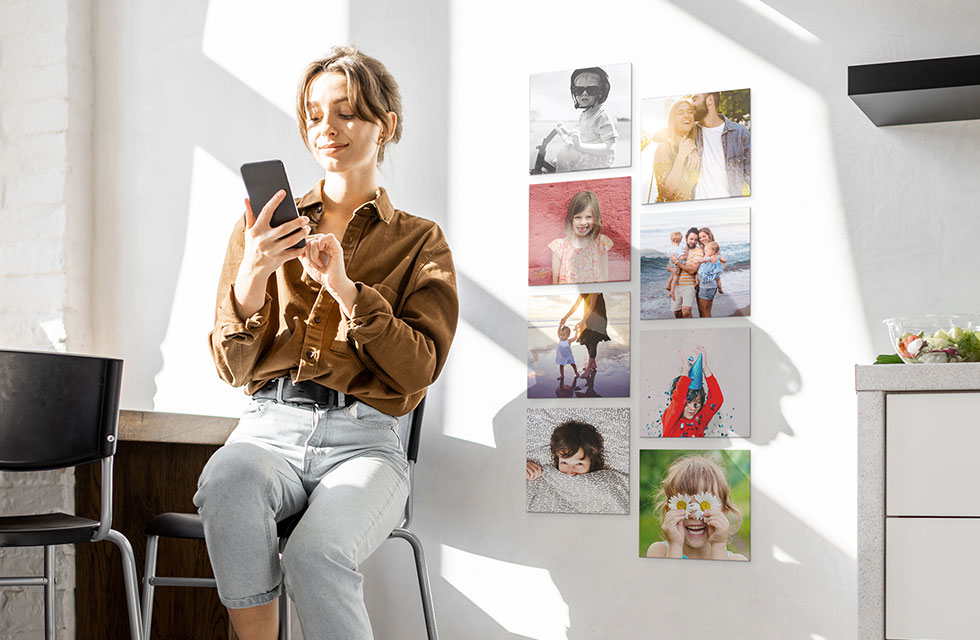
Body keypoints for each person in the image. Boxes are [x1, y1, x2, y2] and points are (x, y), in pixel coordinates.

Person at [198, 46, 458, 640]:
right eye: (315, 115)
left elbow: (419, 367)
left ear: (384, 125)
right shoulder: (263, 227)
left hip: (366, 444)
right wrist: (253, 276)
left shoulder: (420, 242)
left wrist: (345, 290)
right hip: (268, 428)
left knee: (316, 556)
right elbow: (232, 367)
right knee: (226, 478)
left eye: (346, 112)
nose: (327, 129)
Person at [645, 455, 747, 560]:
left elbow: (721, 576)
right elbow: (671, 576)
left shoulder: (736, 560)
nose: (694, 515)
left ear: (724, 511)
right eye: (684, 505)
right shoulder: (660, 552)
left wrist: (719, 544)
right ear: (669, 511)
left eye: (704, 505)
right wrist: (675, 545)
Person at [554, 67, 617, 171]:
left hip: (600, 161)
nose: (584, 93)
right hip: (587, 154)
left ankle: (562, 183)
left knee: (564, 153)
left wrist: (580, 146)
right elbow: (587, 136)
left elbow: (610, 148)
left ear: (601, 92)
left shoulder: (603, 116)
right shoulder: (584, 115)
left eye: (591, 90)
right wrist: (568, 133)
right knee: (553, 160)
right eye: (579, 90)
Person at [691, 91, 751, 200]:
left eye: (695, 99)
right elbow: (664, 135)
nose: (691, 104)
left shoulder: (740, 133)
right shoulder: (691, 132)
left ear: (709, 100)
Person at [548, 190, 614, 284]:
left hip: (593, 297)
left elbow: (605, 279)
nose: (583, 223)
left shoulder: (601, 244)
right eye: (578, 217)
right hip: (567, 298)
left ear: (596, 218)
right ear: (571, 219)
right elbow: (555, 281)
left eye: (589, 217)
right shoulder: (559, 247)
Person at [660, 346, 723, 437]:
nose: (692, 408)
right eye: (687, 402)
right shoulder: (669, 420)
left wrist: (705, 369)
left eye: (697, 403)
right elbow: (678, 402)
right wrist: (685, 372)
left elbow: (717, 400)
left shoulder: (700, 420)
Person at [650, 98, 700, 203]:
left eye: (690, 112)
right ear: (673, 119)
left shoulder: (693, 147)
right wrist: (681, 156)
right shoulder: (664, 148)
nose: (686, 115)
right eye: (680, 113)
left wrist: (691, 150)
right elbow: (665, 192)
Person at [526, 419, 606, 480]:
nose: (570, 473)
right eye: (564, 462)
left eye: (579, 464)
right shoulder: (548, 474)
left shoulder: (606, 480)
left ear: (592, 462)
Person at [559, 292, 609, 374]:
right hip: (589, 319)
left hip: (599, 319)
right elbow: (576, 305)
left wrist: (583, 321)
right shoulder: (583, 291)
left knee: (593, 340)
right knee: (585, 339)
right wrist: (565, 318)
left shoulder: (594, 286)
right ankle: (593, 364)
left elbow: (592, 304)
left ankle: (588, 369)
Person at [671, 228, 704, 318]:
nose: (693, 241)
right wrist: (672, 269)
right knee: (677, 312)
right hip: (677, 286)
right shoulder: (678, 249)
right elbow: (669, 264)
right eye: (691, 239)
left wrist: (677, 263)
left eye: (696, 240)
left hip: (689, 285)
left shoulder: (699, 252)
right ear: (686, 238)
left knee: (686, 311)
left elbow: (693, 270)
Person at [696, 241, 725, 318]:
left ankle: (708, 327)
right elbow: (724, 262)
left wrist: (697, 260)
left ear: (712, 251)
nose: (704, 252)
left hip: (706, 288)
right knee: (708, 309)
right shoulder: (716, 258)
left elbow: (702, 261)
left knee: (704, 311)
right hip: (713, 287)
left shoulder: (709, 258)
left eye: (706, 251)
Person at [664, 230, 685, 300]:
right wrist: (686, 255)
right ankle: (672, 291)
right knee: (676, 277)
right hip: (676, 264)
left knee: (672, 275)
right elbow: (681, 257)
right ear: (680, 240)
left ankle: (668, 284)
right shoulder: (679, 249)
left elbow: (670, 256)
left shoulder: (670, 248)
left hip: (671, 264)